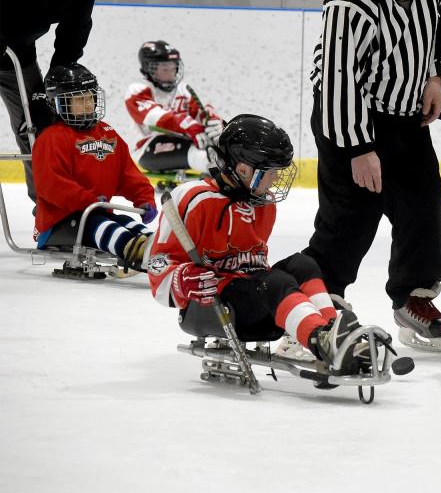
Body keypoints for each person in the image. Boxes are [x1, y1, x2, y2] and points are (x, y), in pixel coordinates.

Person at [300, 0, 441, 353]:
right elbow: (336, 78)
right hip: (350, 113)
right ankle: (318, 300)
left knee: (423, 205)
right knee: (352, 215)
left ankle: (414, 297)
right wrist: (359, 148)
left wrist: (434, 73)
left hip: (405, 108)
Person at [145, 114, 371, 375]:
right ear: (241, 169)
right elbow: (158, 269)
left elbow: (254, 267)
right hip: (213, 307)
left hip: (250, 298)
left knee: (302, 264)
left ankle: (332, 331)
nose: (275, 180)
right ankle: (320, 341)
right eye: (269, 173)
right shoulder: (193, 199)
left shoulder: (263, 203)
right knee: (275, 283)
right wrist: (182, 280)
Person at [0, 0, 98, 204]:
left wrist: (52, 89)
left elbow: (69, 46)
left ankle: (48, 206)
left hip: (16, 58)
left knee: (38, 127)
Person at [32, 64, 154, 268]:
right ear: (59, 103)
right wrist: (87, 201)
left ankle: (159, 248)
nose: (88, 104)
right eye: (80, 99)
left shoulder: (107, 133)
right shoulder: (51, 138)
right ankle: (136, 253)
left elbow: (127, 173)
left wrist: (144, 197)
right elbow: (53, 186)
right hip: (60, 223)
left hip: (95, 211)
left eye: (90, 97)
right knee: (103, 226)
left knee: (125, 221)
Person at [124, 40, 224, 175]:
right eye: (164, 69)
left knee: (218, 142)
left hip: (184, 142)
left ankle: (220, 164)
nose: (170, 73)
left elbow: (200, 114)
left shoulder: (183, 89)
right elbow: (155, 117)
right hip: (147, 149)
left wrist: (212, 121)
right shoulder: (138, 89)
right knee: (197, 152)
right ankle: (212, 166)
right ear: (148, 68)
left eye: (173, 68)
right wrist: (187, 124)